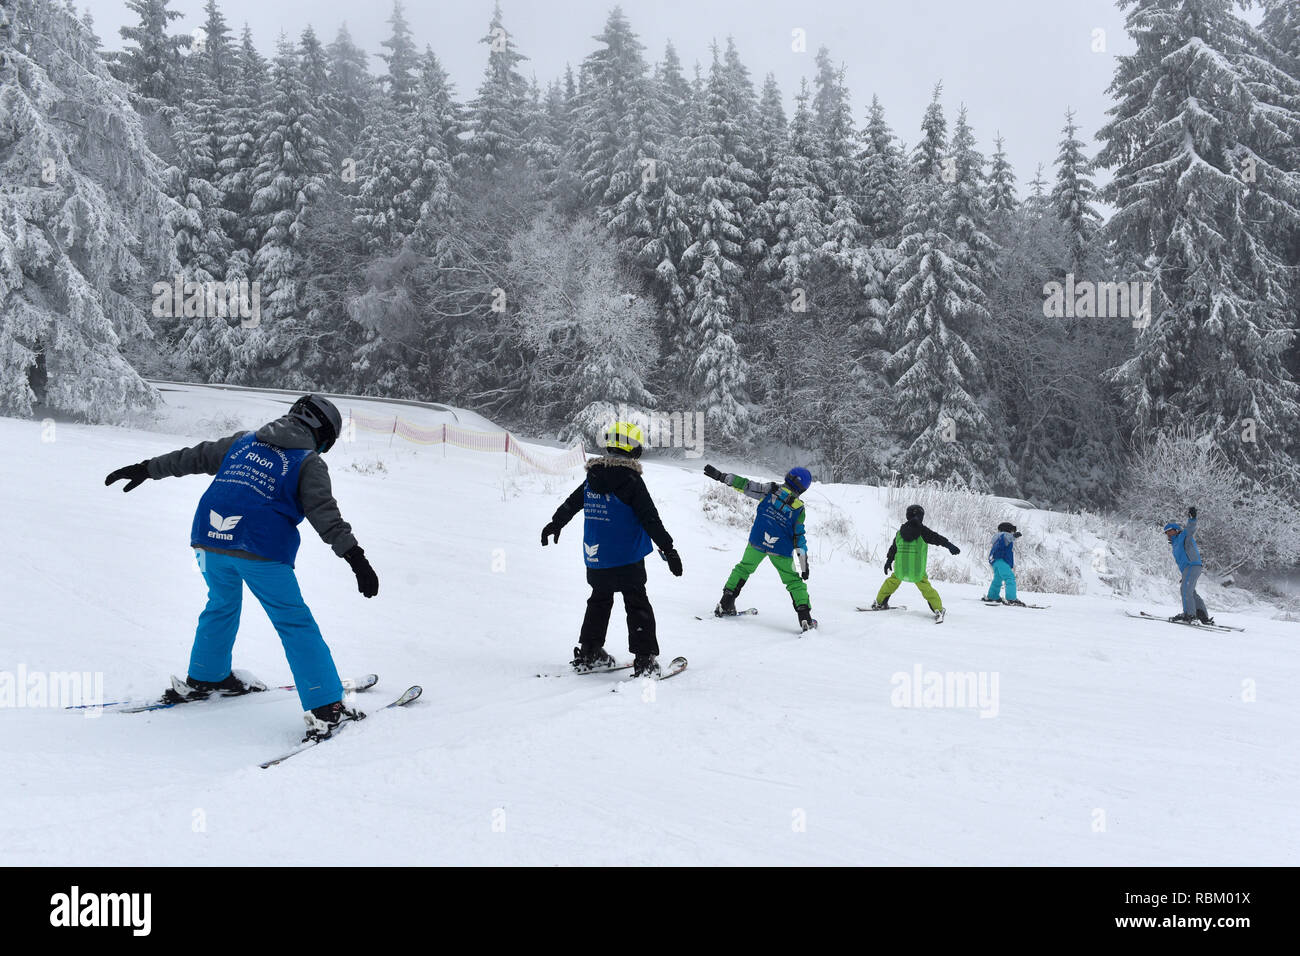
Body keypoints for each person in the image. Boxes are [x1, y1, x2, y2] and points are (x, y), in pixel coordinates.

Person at [104, 394, 378, 741]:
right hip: (259, 545)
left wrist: (147, 468)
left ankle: (207, 676)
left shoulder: (243, 442)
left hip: (208, 536)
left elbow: (192, 458)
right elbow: (325, 514)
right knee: (294, 622)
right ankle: (327, 708)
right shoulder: (308, 462)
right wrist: (356, 557)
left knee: (220, 604)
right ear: (322, 434)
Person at [541, 422, 681, 677]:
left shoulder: (592, 477)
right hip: (627, 557)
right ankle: (645, 660)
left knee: (599, 600)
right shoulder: (631, 480)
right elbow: (650, 519)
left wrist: (555, 523)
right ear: (633, 449)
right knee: (637, 603)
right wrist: (669, 549)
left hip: (596, 557)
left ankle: (590, 651)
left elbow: (572, 504)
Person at [704, 464, 816, 632]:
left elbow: (746, 485)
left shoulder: (770, 490)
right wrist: (803, 564)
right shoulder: (799, 509)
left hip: (757, 541)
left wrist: (721, 476)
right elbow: (798, 537)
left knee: (743, 569)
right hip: (780, 549)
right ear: (803, 489)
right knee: (793, 581)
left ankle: (726, 602)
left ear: (787, 476)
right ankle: (805, 618)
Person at [871, 504, 960, 623]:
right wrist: (950, 545)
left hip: (900, 570)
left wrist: (888, 561)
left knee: (890, 583)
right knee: (927, 590)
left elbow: (894, 548)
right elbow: (936, 538)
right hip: (917, 572)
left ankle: (879, 602)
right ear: (921, 516)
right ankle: (938, 609)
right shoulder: (922, 531)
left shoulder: (900, 533)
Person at [1164, 506, 1214, 624]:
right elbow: (1182, 560)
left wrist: (1192, 519)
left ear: (1176, 530)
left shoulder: (1183, 536)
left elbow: (1190, 529)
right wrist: (1184, 575)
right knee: (1190, 591)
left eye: (1170, 531)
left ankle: (1189, 615)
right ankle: (1202, 616)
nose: (1168, 534)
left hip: (1193, 565)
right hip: (1189, 568)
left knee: (1185, 590)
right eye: (1166, 532)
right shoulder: (1175, 544)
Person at [983, 522, 1025, 606]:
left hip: (995, 561)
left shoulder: (997, 537)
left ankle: (992, 596)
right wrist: (1014, 536)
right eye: (1012, 530)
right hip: (1001, 560)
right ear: (1008, 530)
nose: (1012, 532)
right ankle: (1011, 599)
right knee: (1010, 577)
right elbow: (1009, 537)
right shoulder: (1004, 535)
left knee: (997, 579)